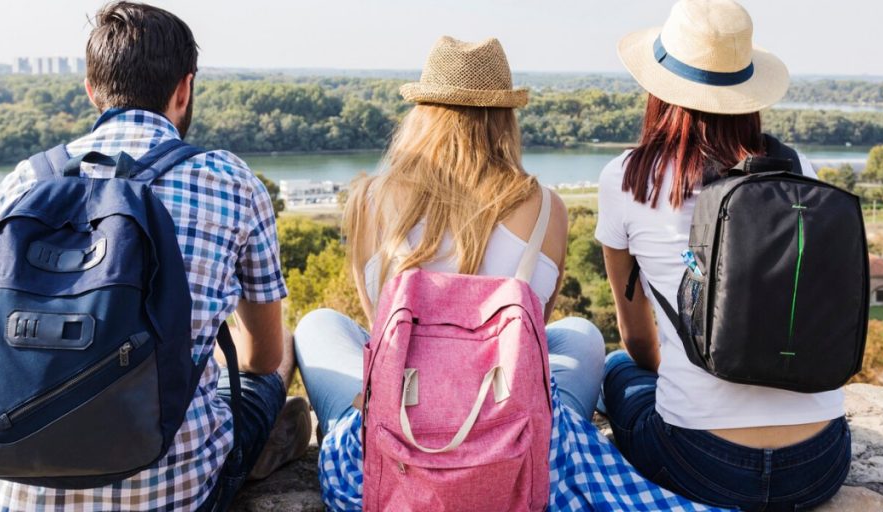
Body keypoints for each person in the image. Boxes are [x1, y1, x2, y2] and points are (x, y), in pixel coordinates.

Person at [295, 36, 723, 512]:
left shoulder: (370, 200)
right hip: (507, 425)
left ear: (420, 112)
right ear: (506, 118)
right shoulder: (546, 207)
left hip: (401, 428)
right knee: (580, 335)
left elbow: (382, 337)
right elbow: (530, 345)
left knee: (319, 326)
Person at [0, 3, 310, 510]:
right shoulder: (229, 181)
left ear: (91, 90)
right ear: (184, 89)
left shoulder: (24, 182)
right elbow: (261, 356)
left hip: (7, 489)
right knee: (277, 359)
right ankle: (247, 449)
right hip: (169, 496)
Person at [597, 0, 851, 510]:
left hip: (701, 462)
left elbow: (639, 338)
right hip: (819, 463)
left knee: (619, 372)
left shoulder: (628, 179)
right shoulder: (802, 172)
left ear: (659, 91)